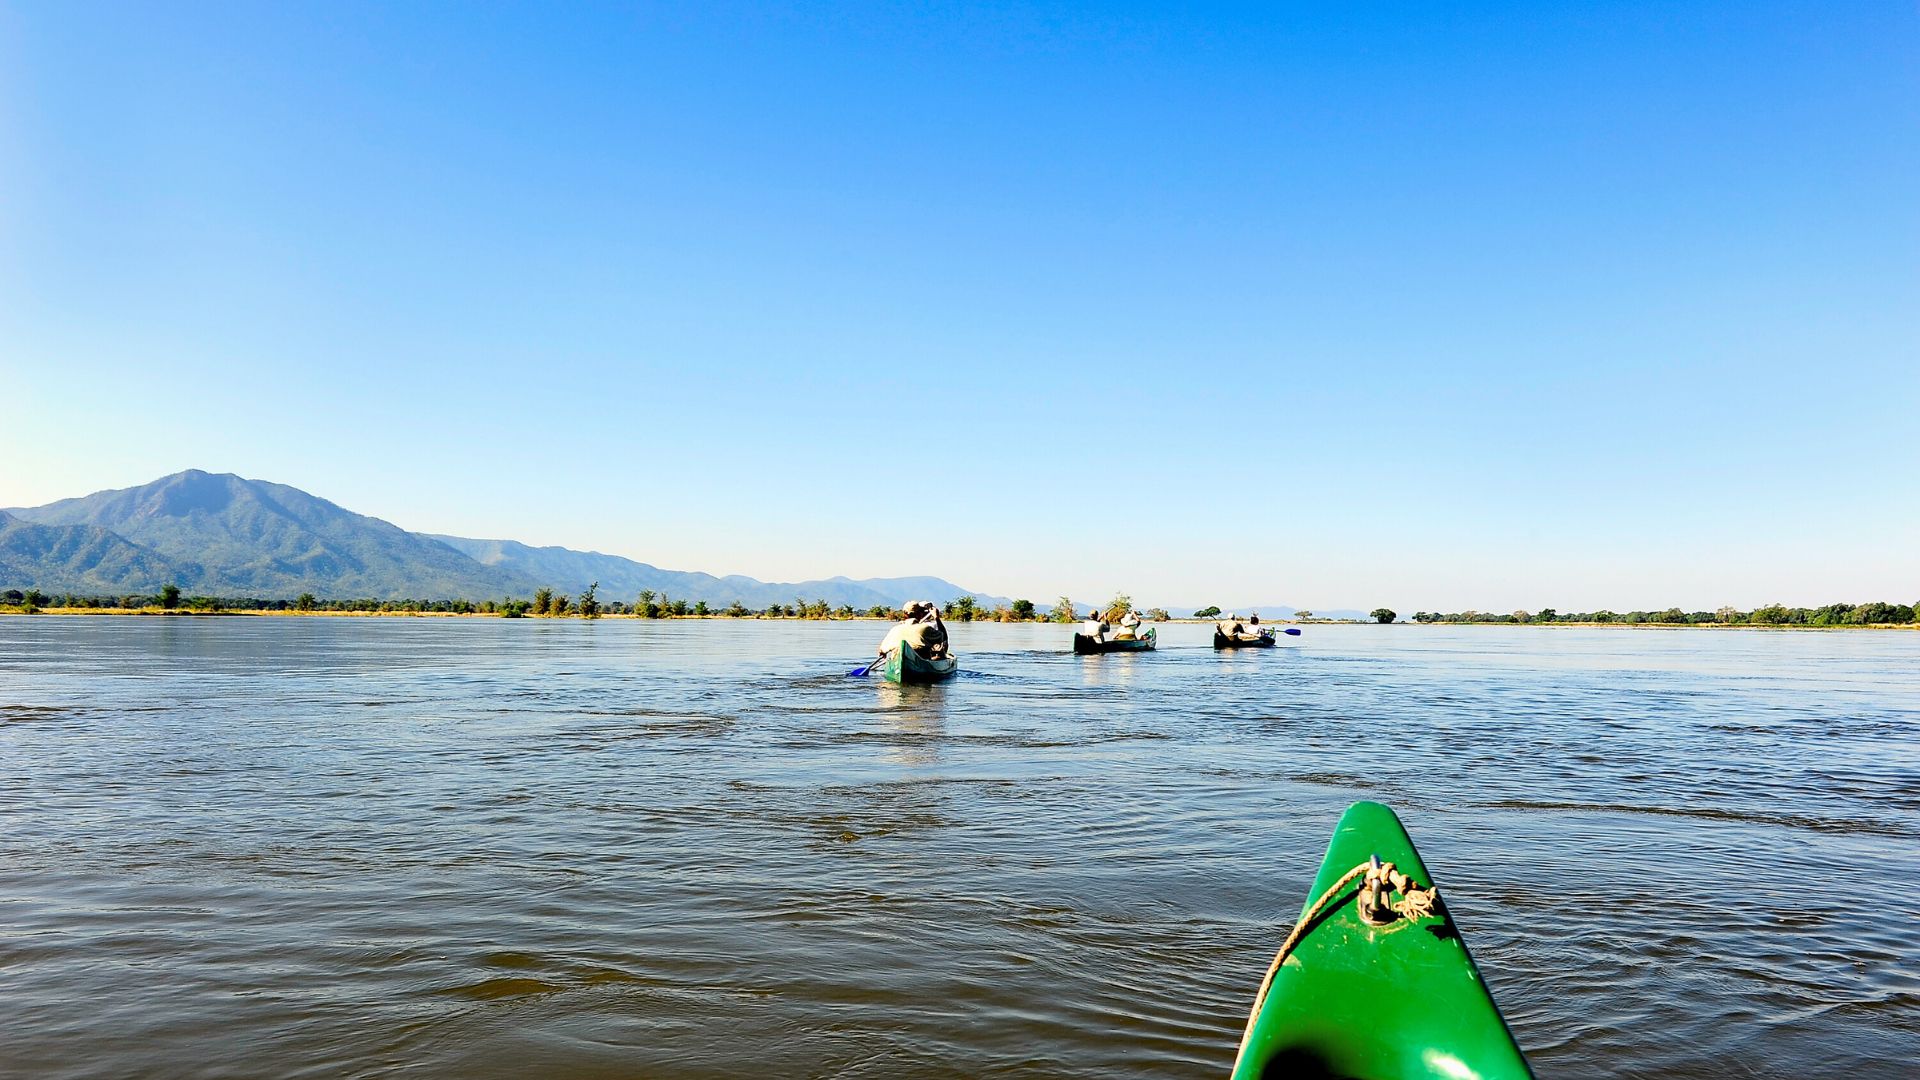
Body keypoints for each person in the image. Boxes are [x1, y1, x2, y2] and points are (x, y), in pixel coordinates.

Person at [877, 600, 948, 660]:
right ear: (920, 613)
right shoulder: (925, 628)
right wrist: (937, 618)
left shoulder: (895, 629)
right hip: (920, 661)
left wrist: (883, 653)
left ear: (904, 614)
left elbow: (881, 651)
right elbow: (943, 637)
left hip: (897, 659)